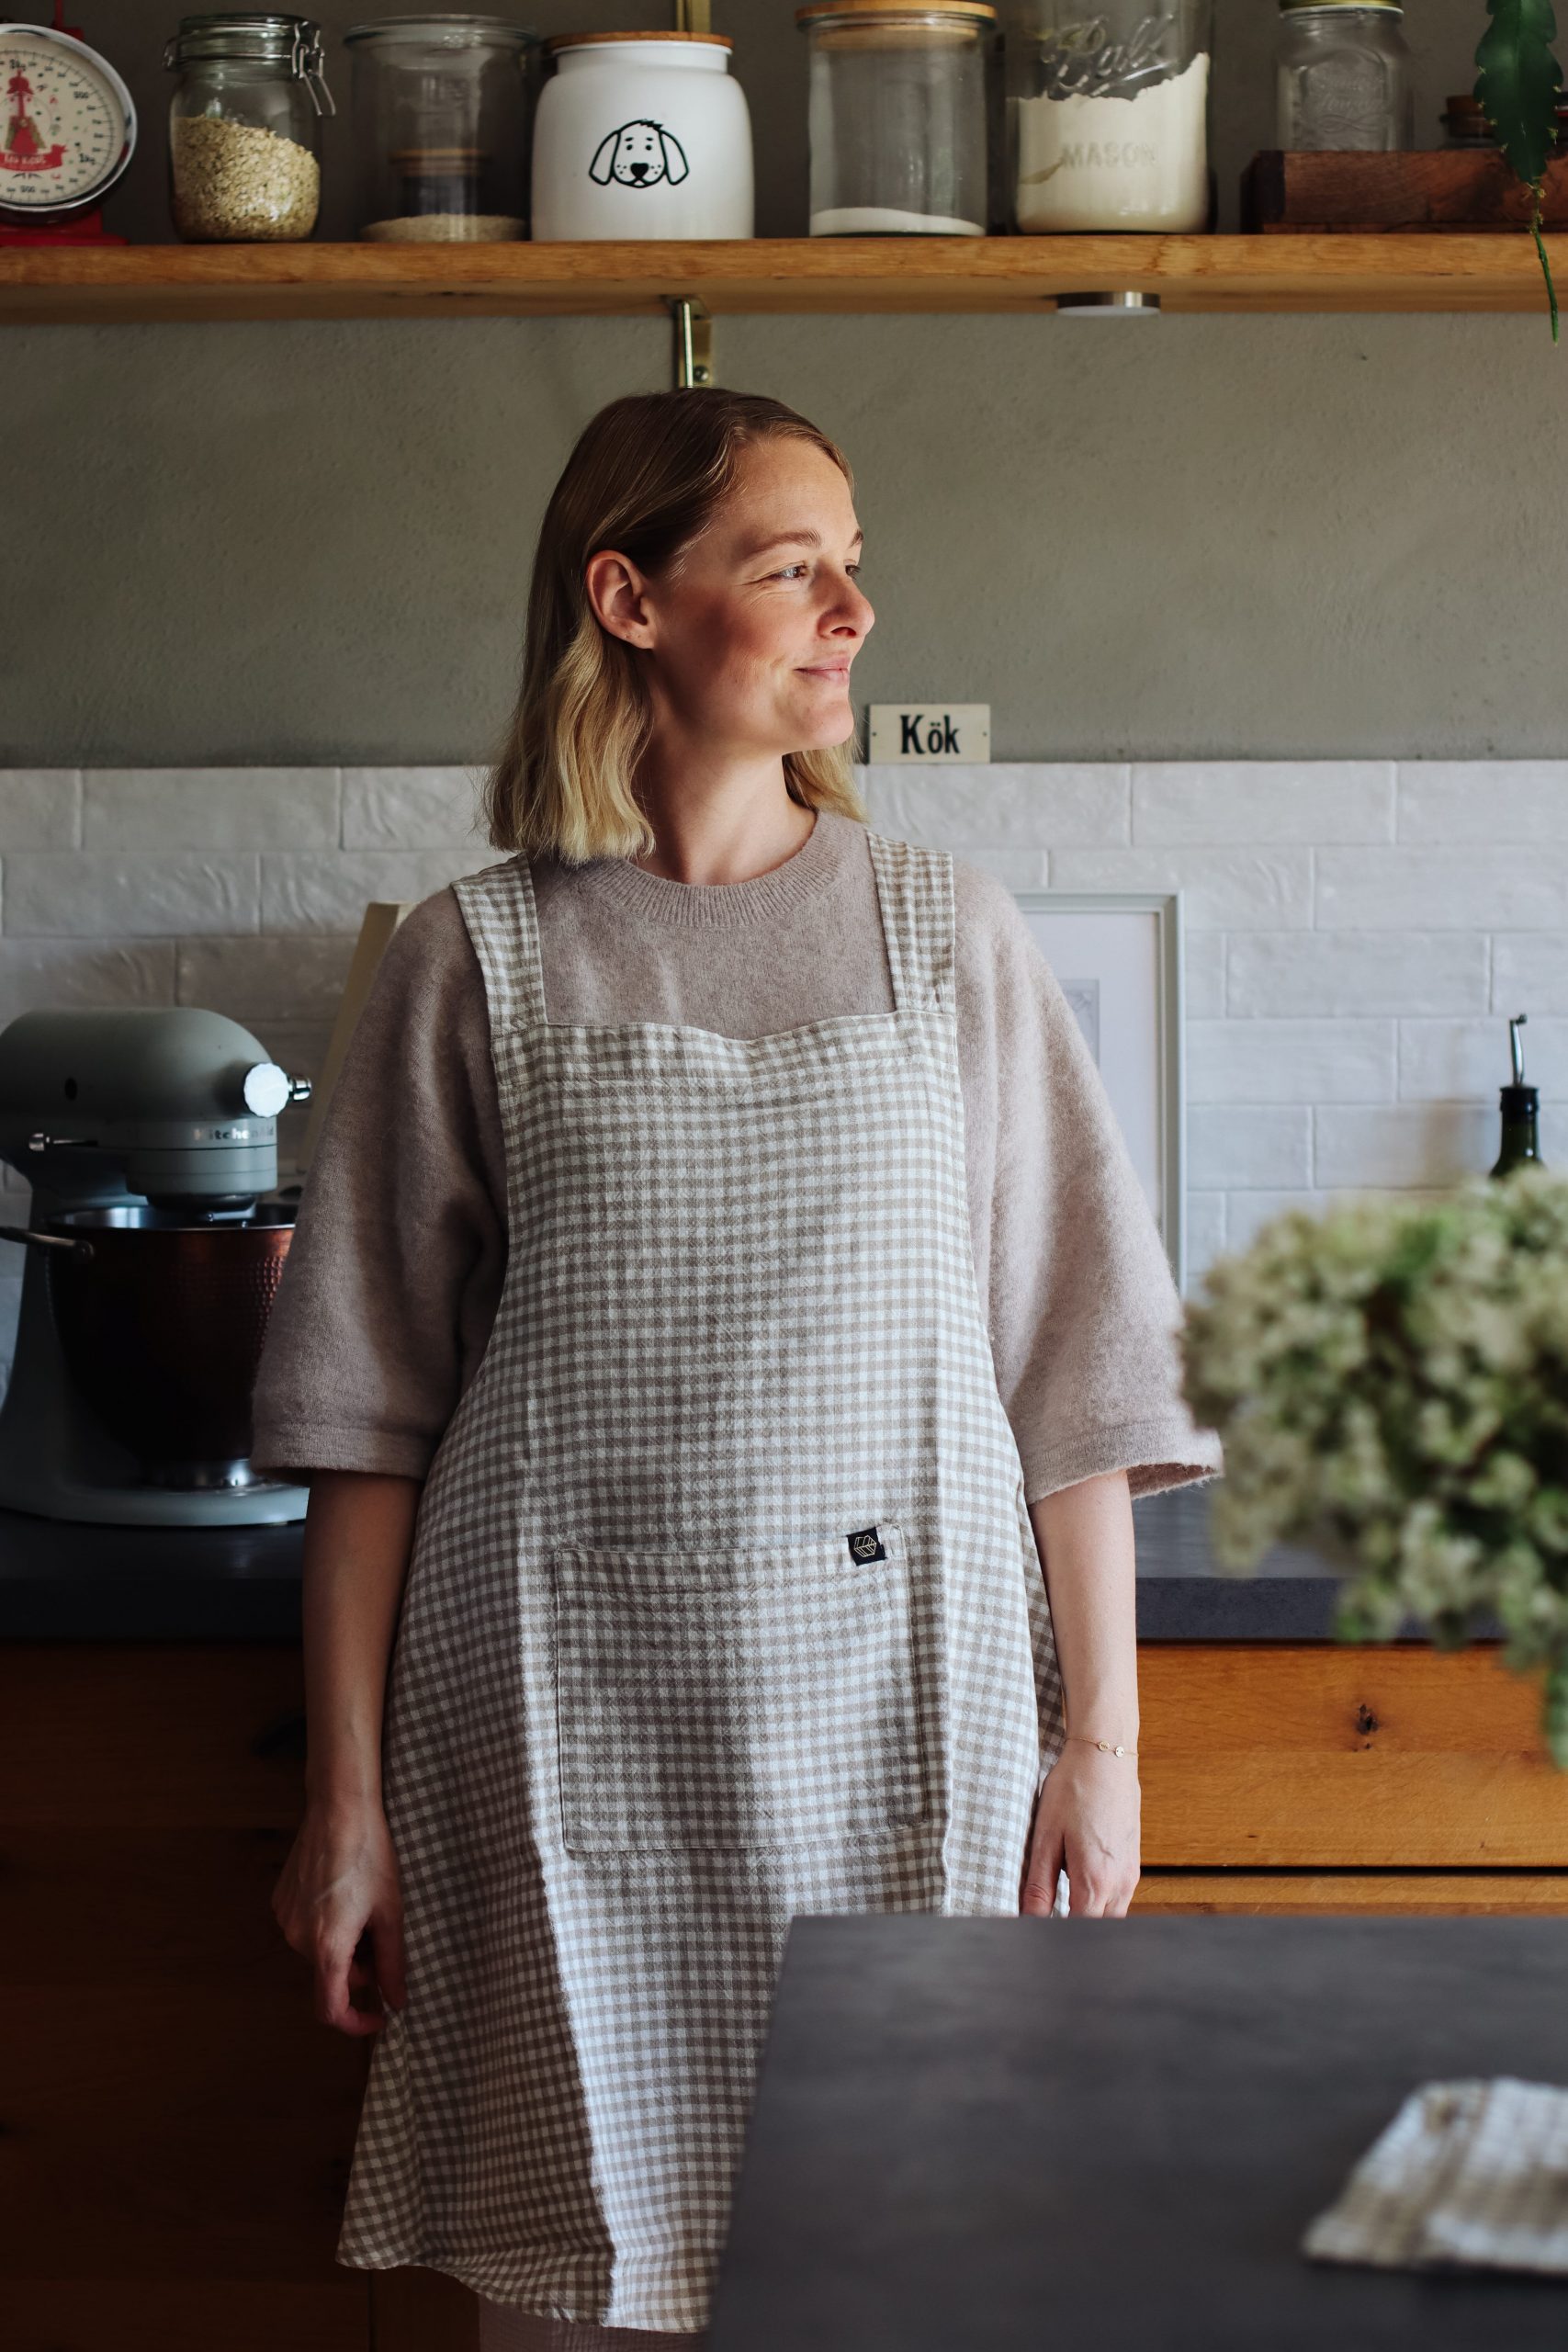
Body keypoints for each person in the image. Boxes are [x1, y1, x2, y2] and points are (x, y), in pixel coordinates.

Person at [256, 388, 1223, 2352]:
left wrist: (1104, 1751)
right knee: (578, 2291)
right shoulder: (474, 958)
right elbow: (365, 1426)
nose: (853, 610)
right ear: (628, 598)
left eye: (852, 563)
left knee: (907, 2275)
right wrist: (345, 1805)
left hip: (907, 1720)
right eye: (792, 568)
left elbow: (1081, 1378)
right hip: (562, 1730)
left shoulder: (947, 937)